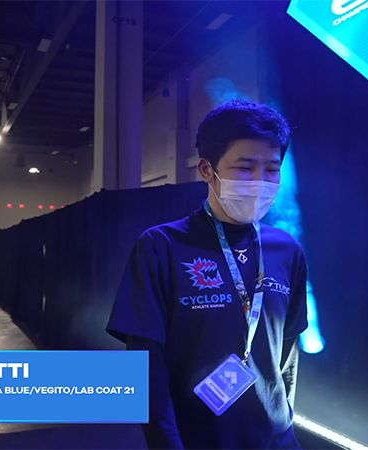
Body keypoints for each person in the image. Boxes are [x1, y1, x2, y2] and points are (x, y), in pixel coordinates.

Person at [107, 100, 308, 449]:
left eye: (271, 169)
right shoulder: (161, 246)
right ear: (206, 169)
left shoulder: (286, 251)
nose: (260, 182)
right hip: (195, 440)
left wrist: (284, 420)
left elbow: (288, 354)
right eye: (245, 168)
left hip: (276, 441)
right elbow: (146, 367)